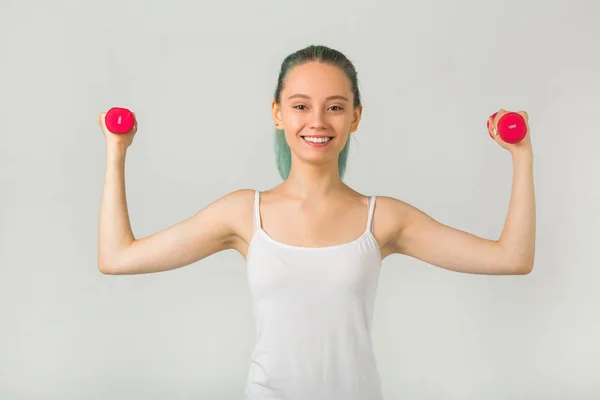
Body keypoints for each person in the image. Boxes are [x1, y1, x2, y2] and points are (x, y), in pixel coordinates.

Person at [96, 45, 536, 400]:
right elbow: (117, 257)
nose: (317, 122)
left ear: (355, 117)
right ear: (278, 114)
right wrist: (117, 151)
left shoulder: (382, 219)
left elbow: (512, 258)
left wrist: (522, 156)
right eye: (301, 106)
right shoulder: (242, 214)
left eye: (335, 107)